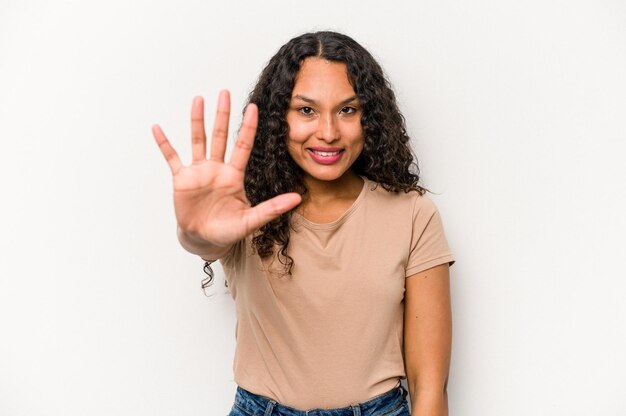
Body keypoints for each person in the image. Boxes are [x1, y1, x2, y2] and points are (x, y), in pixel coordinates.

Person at [152, 31, 455, 416]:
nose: (328, 132)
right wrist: (196, 231)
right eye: (306, 110)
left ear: (371, 118)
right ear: (280, 117)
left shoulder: (412, 213)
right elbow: (207, 242)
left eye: (348, 109)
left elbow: (430, 384)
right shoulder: (245, 210)